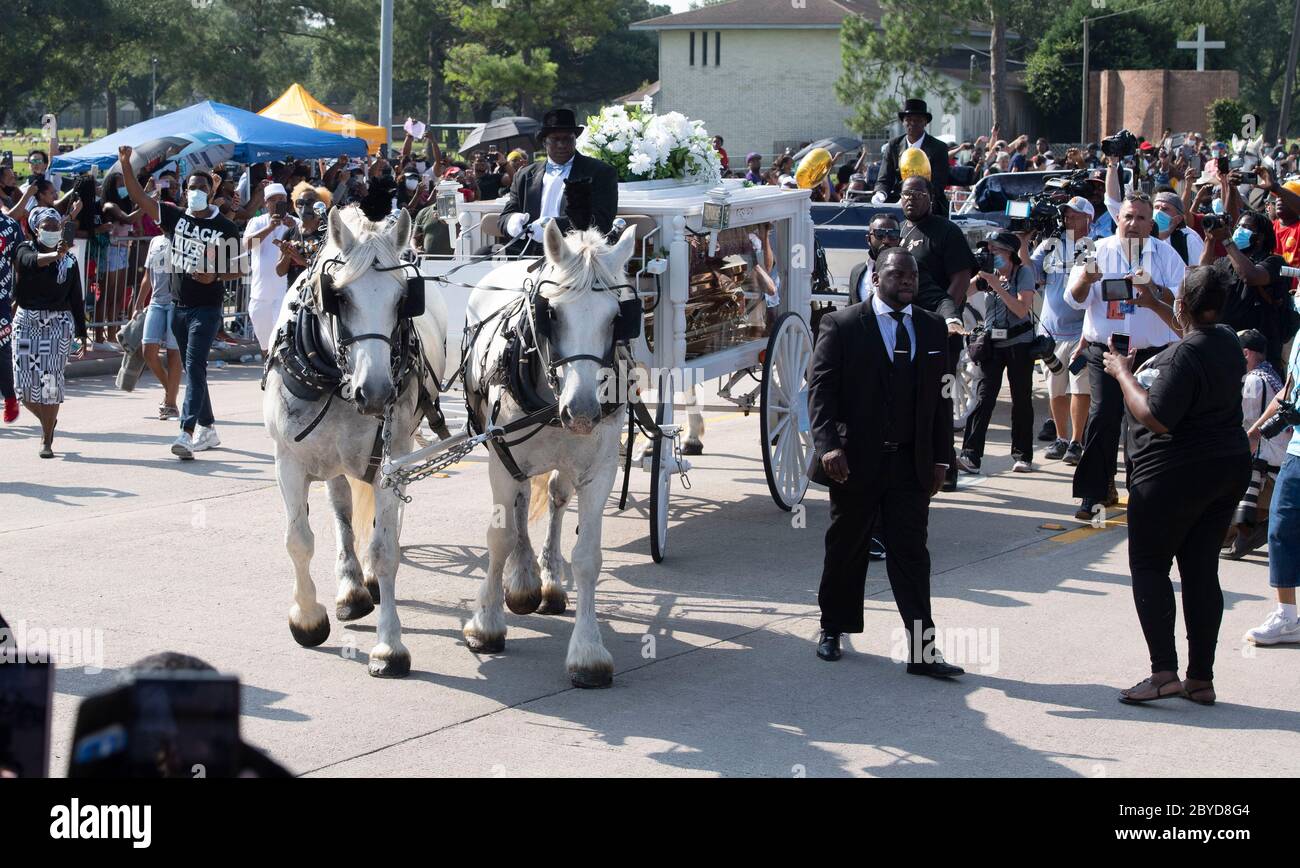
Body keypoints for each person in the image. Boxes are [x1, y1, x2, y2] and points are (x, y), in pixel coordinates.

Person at [808, 247, 960, 677]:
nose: (907, 281)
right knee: (847, 547)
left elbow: (941, 400)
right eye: (897, 275)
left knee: (912, 554)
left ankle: (922, 651)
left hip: (910, 464)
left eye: (912, 275)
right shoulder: (841, 324)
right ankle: (832, 629)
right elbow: (820, 392)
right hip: (855, 462)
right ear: (876, 278)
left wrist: (942, 460)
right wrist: (828, 447)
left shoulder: (931, 329)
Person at [1103, 266, 1250, 706]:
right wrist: (1154, 304)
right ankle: (1200, 679)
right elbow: (1192, 330)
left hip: (1174, 473)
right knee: (1201, 568)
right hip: (1226, 466)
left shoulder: (1183, 356)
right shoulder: (1227, 338)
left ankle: (1164, 673)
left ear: (1184, 305)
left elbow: (1156, 417)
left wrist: (1122, 373)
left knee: (1149, 566)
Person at [116, 145, 243, 460]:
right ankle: (208, 427)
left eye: (203, 187)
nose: (197, 192)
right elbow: (141, 199)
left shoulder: (224, 227)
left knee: (196, 365)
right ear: (185, 192)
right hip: (178, 307)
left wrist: (213, 275)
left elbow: (238, 269)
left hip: (207, 308)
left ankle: (186, 433)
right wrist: (126, 167)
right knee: (193, 368)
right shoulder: (173, 216)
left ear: (211, 192)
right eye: (192, 188)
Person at [1065, 193, 1185, 521]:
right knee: (1103, 416)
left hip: (1151, 353)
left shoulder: (1166, 256)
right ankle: (1094, 492)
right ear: (1118, 219)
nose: (1133, 224)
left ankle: (1143, 491)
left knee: (1142, 422)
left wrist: (1154, 291)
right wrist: (1086, 280)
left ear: (1151, 224)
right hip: (1106, 349)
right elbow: (1074, 300)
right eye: (1128, 217)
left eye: (1141, 218)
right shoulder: (1097, 251)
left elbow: (1182, 303)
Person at [897, 175, 976, 490]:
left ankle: (946, 466)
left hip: (942, 331)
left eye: (917, 193)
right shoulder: (899, 231)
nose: (911, 199)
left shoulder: (946, 231)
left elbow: (960, 278)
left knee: (940, 398)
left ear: (930, 196)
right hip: (904, 329)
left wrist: (944, 319)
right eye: (905, 193)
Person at [958, 231, 1038, 474]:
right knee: (983, 398)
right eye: (988, 251)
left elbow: (1022, 309)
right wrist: (974, 276)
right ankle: (970, 455)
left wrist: (997, 286)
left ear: (1010, 253)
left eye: (996, 251)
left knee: (1021, 399)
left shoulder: (1022, 273)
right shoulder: (986, 274)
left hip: (1019, 344)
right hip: (992, 344)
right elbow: (962, 294)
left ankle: (1022, 455)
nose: (991, 255)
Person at [11, 208, 88, 457]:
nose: (52, 230)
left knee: (50, 383)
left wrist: (81, 333)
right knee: (23, 388)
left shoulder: (70, 260)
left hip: (56, 326)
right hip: (26, 325)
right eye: (47, 226)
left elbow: (76, 298)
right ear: (36, 229)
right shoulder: (24, 248)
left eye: (56, 226)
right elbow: (30, 262)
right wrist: (55, 254)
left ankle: (47, 439)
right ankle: (48, 420)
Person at [1243, 324, 1300, 644]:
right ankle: (1287, 616)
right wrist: (1255, 434)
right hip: (1296, 451)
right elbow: (1288, 393)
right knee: (1280, 528)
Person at [496, 108, 618, 254]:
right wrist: (512, 221)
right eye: (555, 139)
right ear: (544, 142)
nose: (561, 145)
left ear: (575, 139)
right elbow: (505, 216)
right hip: (527, 252)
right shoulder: (523, 175)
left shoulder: (600, 172)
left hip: (576, 254)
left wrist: (552, 227)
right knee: (480, 256)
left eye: (567, 139)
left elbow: (601, 221)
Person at [1031, 197, 1094, 464]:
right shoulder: (1049, 246)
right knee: (1056, 390)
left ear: (1088, 220)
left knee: (1080, 390)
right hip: (1051, 332)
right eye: (1066, 214)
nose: (1068, 218)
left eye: (1075, 215)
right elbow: (1029, 271)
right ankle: (1062, 438)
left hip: (1081, 333)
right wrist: (1024, 239)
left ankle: (1077, 442)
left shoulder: (1095, 246)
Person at [1221, 329, 1289, 560]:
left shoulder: (1253, 380)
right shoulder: (1270, 374)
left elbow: (1246, 422)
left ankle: (1247, 534)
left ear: (1246, 353)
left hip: (1264, 457)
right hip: (1276, 452)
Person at [1204, 209, 1290, 372]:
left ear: (1260, 237)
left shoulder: (1275, 262)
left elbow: (1251, 276)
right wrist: (1210, 240)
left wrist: (1228, 241)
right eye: (1238, 226)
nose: (1239, 230)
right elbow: (1202, 280)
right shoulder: (1225, 262)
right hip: (1225, 346)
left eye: (1246, 227)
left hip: (1258, 354)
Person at [872, 99, 952, 216]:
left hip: (929, 201)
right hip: (898, 199)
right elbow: (884, 179)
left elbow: (938, 183)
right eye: (908, 120)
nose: (912, 124)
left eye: (918, 120)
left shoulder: (939, 147)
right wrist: (880, 193)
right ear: (903, 122)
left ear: (925, 122)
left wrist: (913, 198)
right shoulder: (893, 145)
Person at [243, 182, 298, 351]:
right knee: (265, 344)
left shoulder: (296, 222)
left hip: (286, 292)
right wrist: (269, 228)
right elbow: (247, 244)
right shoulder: (257, 222)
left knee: (281, 342)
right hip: (261, 293)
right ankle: (267, 375)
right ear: (265, 203)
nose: (276, 203)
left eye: (280, 199)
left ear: (286, 201)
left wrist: (295, 229)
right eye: (272, 200)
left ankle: (282, 375)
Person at [134, 234, 182, 419]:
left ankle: (170, 403)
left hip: (176, 302)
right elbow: (147, 274)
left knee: (173, 353)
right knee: (148, 351)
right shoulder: (155, 241)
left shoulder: (183, 238)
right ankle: (170, 392)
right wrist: (138, 302)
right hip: (156, 302)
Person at [847, 214, 901, 303]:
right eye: (880, 234)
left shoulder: (911, 272)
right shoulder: (856, 272)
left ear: (899, 239)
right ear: (868, 239)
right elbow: (851, 308)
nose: (886, 240)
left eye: (893, 234)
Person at [0, 205, 22, 424]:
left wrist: (19, 298)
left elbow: (21, 264)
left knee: (2, 351)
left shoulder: (10, 226)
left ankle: (10, 398)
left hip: (1, 301)